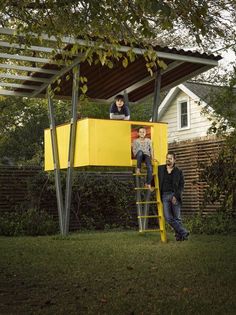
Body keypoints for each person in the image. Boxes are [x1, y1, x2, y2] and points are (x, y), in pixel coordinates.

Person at [158, 152, 189, 241]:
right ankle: (183, 232)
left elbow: (181, 185)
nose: (168, 159)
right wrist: (150, 185)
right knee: (168, 218)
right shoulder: (160, 169)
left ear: (174, 160)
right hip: (164, 196)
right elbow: (154, 178)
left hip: (174, 195)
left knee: (177, 217)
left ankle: (179, 237)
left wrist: (176, 196)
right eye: (167, 158)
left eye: (170, 158)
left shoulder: (178, 171)